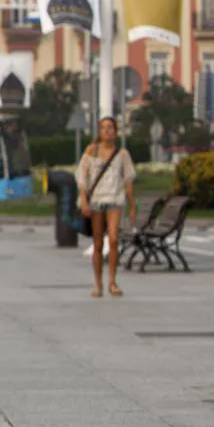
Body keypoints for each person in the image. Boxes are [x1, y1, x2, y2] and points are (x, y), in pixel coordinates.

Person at [77, 116, 137, 298]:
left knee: (113, 239)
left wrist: (132, 205)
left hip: (115, 200)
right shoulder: (91, 151)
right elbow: (82, 177)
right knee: (97, 243)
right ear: (99, 131)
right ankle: (98, 284)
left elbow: (128, 181)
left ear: (116, 131)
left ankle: (112, 281)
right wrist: (84, 200)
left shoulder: (122, 154)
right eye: (103, 128)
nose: (107, 131)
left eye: (110, 127)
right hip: (96, 200)